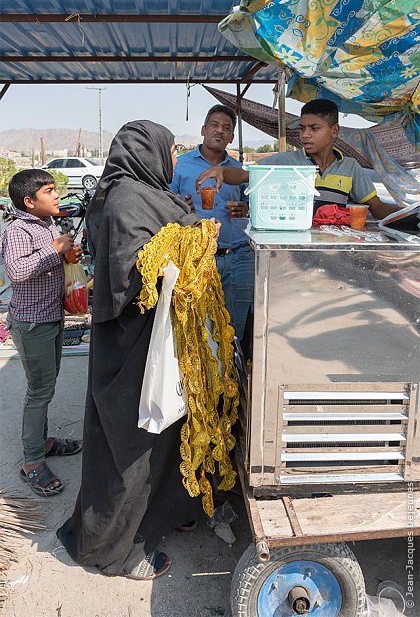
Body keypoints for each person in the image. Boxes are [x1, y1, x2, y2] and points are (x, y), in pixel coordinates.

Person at [57, 120, 212, 581]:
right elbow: (131, 274)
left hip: (157, 338)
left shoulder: (144, 191)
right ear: (149, 152)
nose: (172, 161)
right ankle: (111, 551)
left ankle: (167, 513)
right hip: (134, 344)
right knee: (134, 443)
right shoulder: (127, 197)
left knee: (168, 433)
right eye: (168, 151)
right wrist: (188, 241)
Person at [1, 169, 83, 497]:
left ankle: (43, 442)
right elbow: (18, 271)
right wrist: (55, 248)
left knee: (46, 386)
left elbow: (47, 262)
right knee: (38, 391)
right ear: (29, 201)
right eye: (50, 191)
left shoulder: (46, 223)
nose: (57, 196)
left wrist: (67, 256)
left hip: (50, 319)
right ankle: (32, 462)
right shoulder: (19, 229)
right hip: (32, 323)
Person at [196, 99, 401, 220]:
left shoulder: (350, 167)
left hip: (334, 254)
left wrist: (410, 214)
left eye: (314, 128)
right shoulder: (286, 161)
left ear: (334, 131)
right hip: (294, 255)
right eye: (302, 128)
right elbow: (242, 174)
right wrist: (221, 172)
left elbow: (377, 207)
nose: (305, 135)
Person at [170, 104, 254, 342]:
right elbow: (166, 207)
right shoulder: (181, 166)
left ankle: (229, 377)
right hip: (196, 258)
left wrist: (245, 208)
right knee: (196, 332)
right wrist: (182, 208)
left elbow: (253, 207)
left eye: (226, 128)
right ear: (203, 129)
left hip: (237, 257)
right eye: (214, 125)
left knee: (232, 331)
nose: (220, 131)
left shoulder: (237, 170)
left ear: (231, 137)